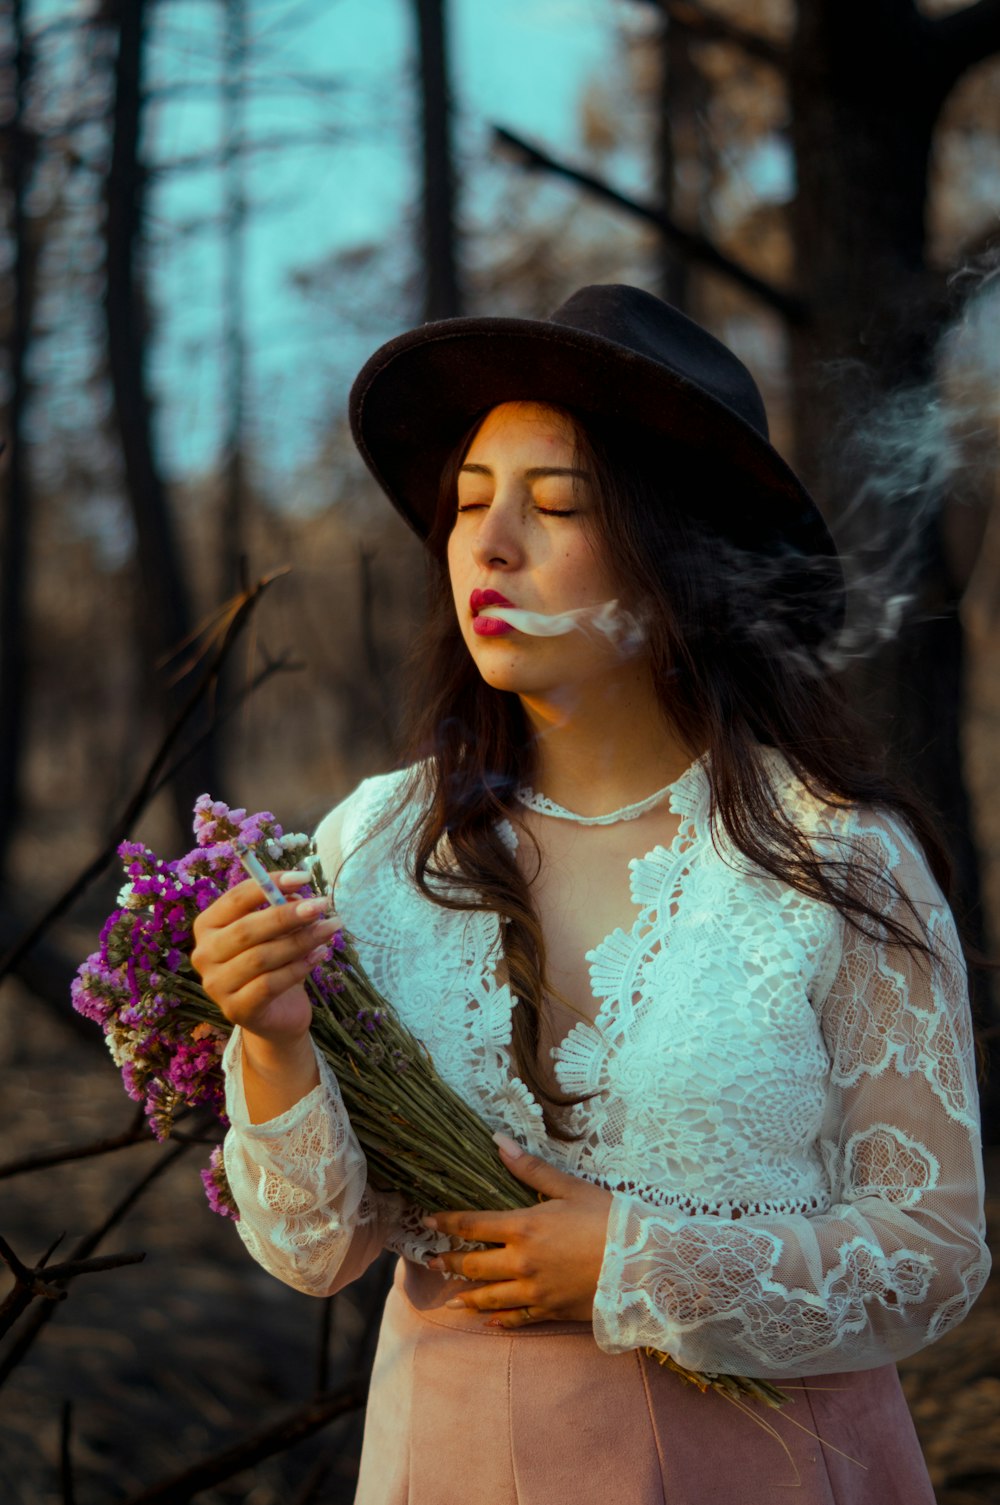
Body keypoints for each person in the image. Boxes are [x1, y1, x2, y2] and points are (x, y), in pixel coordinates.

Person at [192, 285, 990, 1504]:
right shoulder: (375, 848)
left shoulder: (834, 860)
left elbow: (932, 1258)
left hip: (771, 1467)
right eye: (468, 503)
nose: (488, 543)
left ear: (681, 557)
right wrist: (272, 1040)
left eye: (555, 503)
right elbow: (314, 1251)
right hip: (453, 1463)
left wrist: (641, 1262)